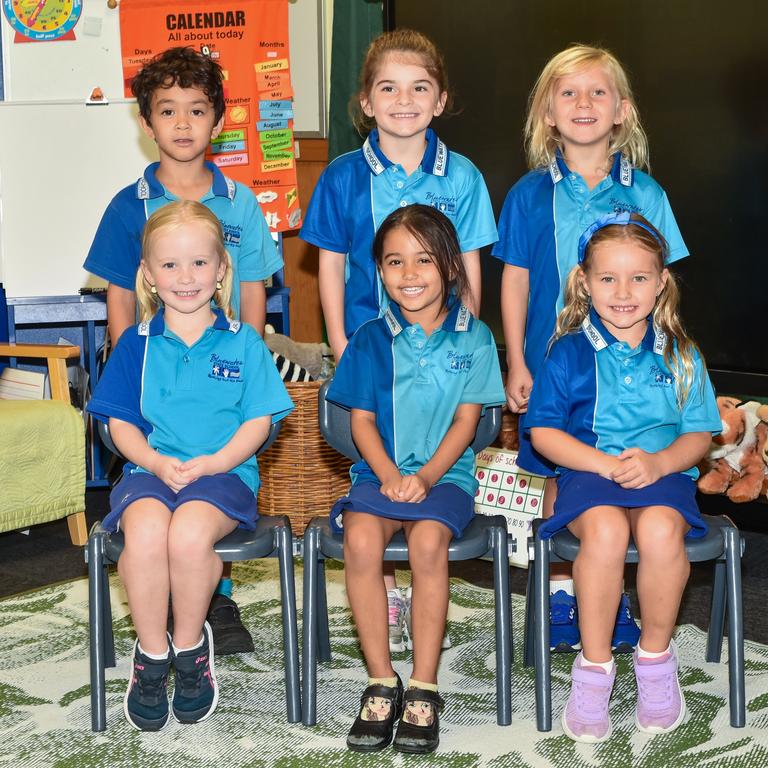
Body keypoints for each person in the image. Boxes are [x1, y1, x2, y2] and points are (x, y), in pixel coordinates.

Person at [301, 28, 497, 653]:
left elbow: (469, 263)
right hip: (373, 353)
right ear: (365, 101)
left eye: (419, 88)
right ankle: (382, 594)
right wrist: (338, 340)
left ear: (440, 100)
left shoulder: (463, 176)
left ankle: (420, 589)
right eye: (388, 87)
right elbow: (330, 265)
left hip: (442, 351)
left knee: (432, 457)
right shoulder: (340, 176)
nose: (403, 100)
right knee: (378, 464)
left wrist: (460, 340)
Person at [84, 47, 283, 654]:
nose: (182, 124)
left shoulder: (241, 202)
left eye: (196, 111)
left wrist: (243, 354)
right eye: (167, 112)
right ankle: (160, 608)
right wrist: (132, 363)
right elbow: (121, 296)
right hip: (151, 371)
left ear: (217, 120)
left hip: (221, 369)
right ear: (147, 123)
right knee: (155, 493)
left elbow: (253, 293)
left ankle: (211, 603)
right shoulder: (128, 203)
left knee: (206, 496)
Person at [493, 44, 689, 653]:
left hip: (628, 370)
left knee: (629, 473)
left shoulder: (648, 194)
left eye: (597, 92)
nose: (583, 104)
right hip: (555, 367)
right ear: (547, 112)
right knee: (559, 469)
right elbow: (516, 278)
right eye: (568, 93)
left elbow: (668, 284)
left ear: (622, 110)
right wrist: (517, 361)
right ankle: (560, 592)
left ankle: (615, 596)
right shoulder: (528, 194)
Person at [86, 201, 293, 731]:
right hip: (148, 473)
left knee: (188, 536)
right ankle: (153, 656)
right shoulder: (136, 344)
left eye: (200, 263)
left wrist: (216, 462)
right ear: (150, 277)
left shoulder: (245, 341)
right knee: (149, 533)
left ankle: (188, 648)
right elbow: (117, 426)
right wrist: (155, 461)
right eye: (171, 266)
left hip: (224, 475)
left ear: (222, 269)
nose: (186, 277)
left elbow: (260, 423)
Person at [525, 212, 720, 743]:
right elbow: (543, 434)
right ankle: (593, 670)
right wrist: (606, 464)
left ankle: (655, 659)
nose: (623, 291)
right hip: (591, 472)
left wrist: (659, 463)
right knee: (607, 533)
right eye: (608, 278)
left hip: (663, 475)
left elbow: (699, 435)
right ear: (585, 283)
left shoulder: (682, 354)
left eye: (638, 278)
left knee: (660, 532)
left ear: (661, 284)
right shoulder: (566, 354)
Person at [326, 204, 505, 754]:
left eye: (424, 260)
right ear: (379, 269)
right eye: (394, 261)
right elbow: (361, 422)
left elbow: (468, 423)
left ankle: (425, 682)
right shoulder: (368, 339)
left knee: (428, 544)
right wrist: (388, 477)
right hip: (376, 476)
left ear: (451, 266)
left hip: (446, 478)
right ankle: (382, 678)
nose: (409, 274)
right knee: (359, 540)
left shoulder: (474, 338)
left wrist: (424, 477)